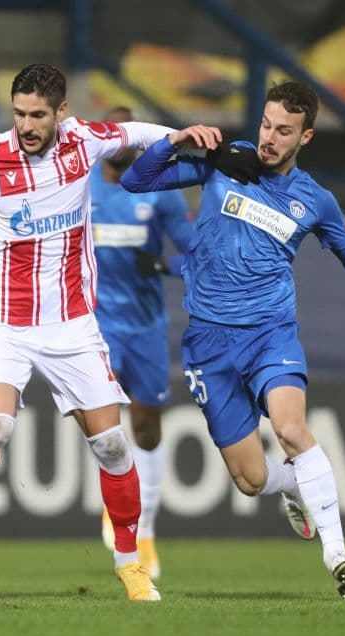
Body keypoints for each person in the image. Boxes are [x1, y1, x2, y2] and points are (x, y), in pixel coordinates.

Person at [0, 64, 249, 602]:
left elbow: (135, 133)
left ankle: (129, 563)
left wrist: (180, 136)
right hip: (3, 321)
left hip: (71, 324)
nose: (26, 125)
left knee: (115, 445)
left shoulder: (83, 142)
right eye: (19, 113)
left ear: (61, 113)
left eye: (38, 115)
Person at [120, 80, 345, 597]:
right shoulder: (224, 162)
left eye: (284, 131)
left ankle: (337, 554)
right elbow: (136, 182)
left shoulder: (315, 201)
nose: (270, 138)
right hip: (208, 343)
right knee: (251, 480)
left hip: (270, 333)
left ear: (307, 137)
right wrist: (176, 140)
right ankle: (296, 485)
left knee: (294, 430)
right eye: (266, 125)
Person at [91, 106, 195, 580]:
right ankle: (123, 514)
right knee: (104, 424)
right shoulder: (79, 184)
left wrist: (164, 267)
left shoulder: (160, 190)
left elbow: (196, 251)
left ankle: (147, 526)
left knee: (147, 428)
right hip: (94, 326)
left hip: (147, 326)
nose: (119, 149)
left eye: (126, 142)